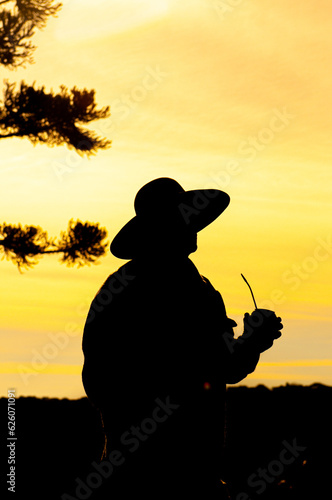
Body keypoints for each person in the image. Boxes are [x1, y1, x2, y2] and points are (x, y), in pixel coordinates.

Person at [82, 178, 283, 499]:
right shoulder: (127, 293)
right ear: (162, 227)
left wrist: (253, 341)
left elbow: (222, 367)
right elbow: (214, 366)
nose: (193, 225)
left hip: (192, 476)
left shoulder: (200, 288)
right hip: (141, 479)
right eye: (183, 217)